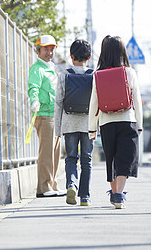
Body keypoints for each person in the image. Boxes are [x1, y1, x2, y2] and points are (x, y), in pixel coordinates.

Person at [88, 35, 143, 209]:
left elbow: (94, 104)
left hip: (106, 123)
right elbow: (137, 101)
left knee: (111, 159)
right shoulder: (129, 72)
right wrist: (139, 124)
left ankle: (115, 193)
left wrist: (91, 129)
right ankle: (118, 194)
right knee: (125, 159)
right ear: (122, 52)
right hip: (127, 120)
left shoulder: (97, 75)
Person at [54, 39, 94, 206]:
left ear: (71, 56)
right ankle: (85, 197)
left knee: (71, 158)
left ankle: (71, 185)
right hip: (88, 124)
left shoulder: (64, 75)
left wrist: (58, 129)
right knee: (87, 160)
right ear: (89, 57)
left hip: (69, 123)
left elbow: (58, 103)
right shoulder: (94, 75)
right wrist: (96, 126)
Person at [28, 35, 65, 197]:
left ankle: (52, 184)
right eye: (45, 49)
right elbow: (33, 87)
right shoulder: (37, 69)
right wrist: (34, 101)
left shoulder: (51, 68)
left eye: (52, 49)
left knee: (55, 152)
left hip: (55, 114)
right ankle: (43, 187)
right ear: (38, 50)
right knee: (47, 152)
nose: (49, 52)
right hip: (44, 115)